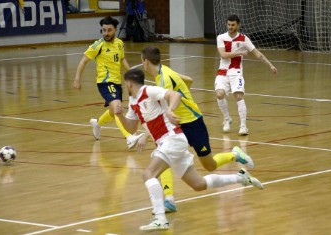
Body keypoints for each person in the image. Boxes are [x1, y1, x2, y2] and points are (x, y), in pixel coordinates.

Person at [114, 69, 263, 231]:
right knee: (198, 184)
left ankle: (160, 218)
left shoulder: (148, 90)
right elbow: (130, 129)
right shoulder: (133, 103)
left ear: (129, 83)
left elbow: (175, 95)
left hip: (172, 138)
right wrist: (120, 115)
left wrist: (170, 110)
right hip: (170, 142)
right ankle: (241, 178)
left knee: (148, 174)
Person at [138, 45, 255, 213]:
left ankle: (235, 154)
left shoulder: (164, 78)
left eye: (142, 61)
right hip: (178, 124)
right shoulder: (163, 73)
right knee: (163, 154)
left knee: (210, 165)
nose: (142, 65)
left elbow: (168, 103)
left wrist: (172, 109)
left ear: (146, 62)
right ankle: (169, 199)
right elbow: (189, 80)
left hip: (193, 122)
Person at [73, 16, 144, 148]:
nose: (106, 33)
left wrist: (130, 73)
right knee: (117, 108)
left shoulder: (119, 43)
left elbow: (122, 58)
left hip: (117, 83)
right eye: (104, 30)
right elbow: (83, 61)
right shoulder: (97, 45)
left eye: (109, 30)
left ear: (115, 30)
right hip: (105, 83)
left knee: (113, 112)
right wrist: (77, 78)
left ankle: (97, 123)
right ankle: (129, 138)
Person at [215, 14, 277, 135]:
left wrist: (270, 65)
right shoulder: (221, 37)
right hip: (222, 72)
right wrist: (240, 53)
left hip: (236, 72)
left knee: (238, 96)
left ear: (238, 25)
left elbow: (257, 53)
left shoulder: (244, 39)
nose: (230, 27)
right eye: (228, 24)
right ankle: (227, 118)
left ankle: (243, 126)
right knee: (219, 94)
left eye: (233, 25)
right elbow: (223, 55)